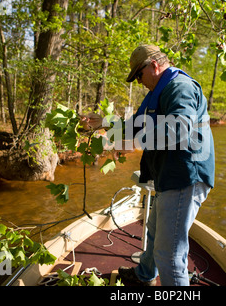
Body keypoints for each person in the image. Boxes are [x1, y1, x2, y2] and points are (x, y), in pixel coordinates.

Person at [84, 44, 215, 286]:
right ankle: (145, 275)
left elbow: (180, 128)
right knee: (153, 231)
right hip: (169, 176)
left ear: (153, 65)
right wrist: (102, 122)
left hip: (186, 177)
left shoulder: (179, 87)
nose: (138, 81)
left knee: (169, 255)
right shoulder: (157, 90)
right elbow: (135, 124)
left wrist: (133, 142)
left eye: (138, 75)